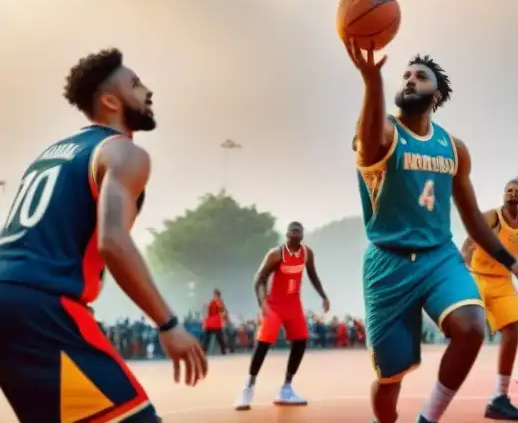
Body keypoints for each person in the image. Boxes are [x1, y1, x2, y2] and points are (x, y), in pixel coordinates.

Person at [0, 48, 207, 422]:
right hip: (41, 306)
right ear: (110, 100)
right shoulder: (122, 152)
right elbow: (112, 242)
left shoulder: (51, 153)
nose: (147, 91)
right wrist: (168, 324)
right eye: (136, 84)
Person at [347, 46, 518, 423]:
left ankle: (429, 419)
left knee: (473, 326)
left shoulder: (454, 149)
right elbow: (369, 137)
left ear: (436, 95)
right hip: (388, 262)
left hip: (438, 256)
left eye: (420, 77)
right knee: (390, 378)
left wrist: (515, 267)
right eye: (406, 75)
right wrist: (371, 83)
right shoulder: (385, 131)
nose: (410, 80)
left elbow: (472, 219)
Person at [462, 180, 518, 420]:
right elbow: (471, 237)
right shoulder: (492, 216)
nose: (512, 193)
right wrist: (463, 262)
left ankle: (498, 398)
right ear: (504, 195)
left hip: (502, 281)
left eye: (517, 191)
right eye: (508, 190)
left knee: (513, 328)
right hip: (478, 279)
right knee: (465, 334)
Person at [234, 221, 330, 410]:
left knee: (301, 340)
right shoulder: (276, 254)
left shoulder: (306, 254)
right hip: (274, 306)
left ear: (302, 235)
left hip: (293, 304)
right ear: (286, 234)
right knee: (264, 343)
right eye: (291, 231)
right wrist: (262, 303)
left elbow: (313, 275)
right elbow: (259, 278)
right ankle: (248, 387)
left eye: (298, 231)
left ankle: (286, 388)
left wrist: (323, 296)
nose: (294, 233)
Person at [202, 288, 228, 356]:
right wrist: (225, 320)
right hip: (216, 323)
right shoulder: (218, 301)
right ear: (219, 294)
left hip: (208, 323)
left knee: (206, 339)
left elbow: (205, 311)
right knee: (220, 338)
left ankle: (204, 351)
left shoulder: (210, 301)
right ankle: (223, 351)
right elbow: (223, 311)